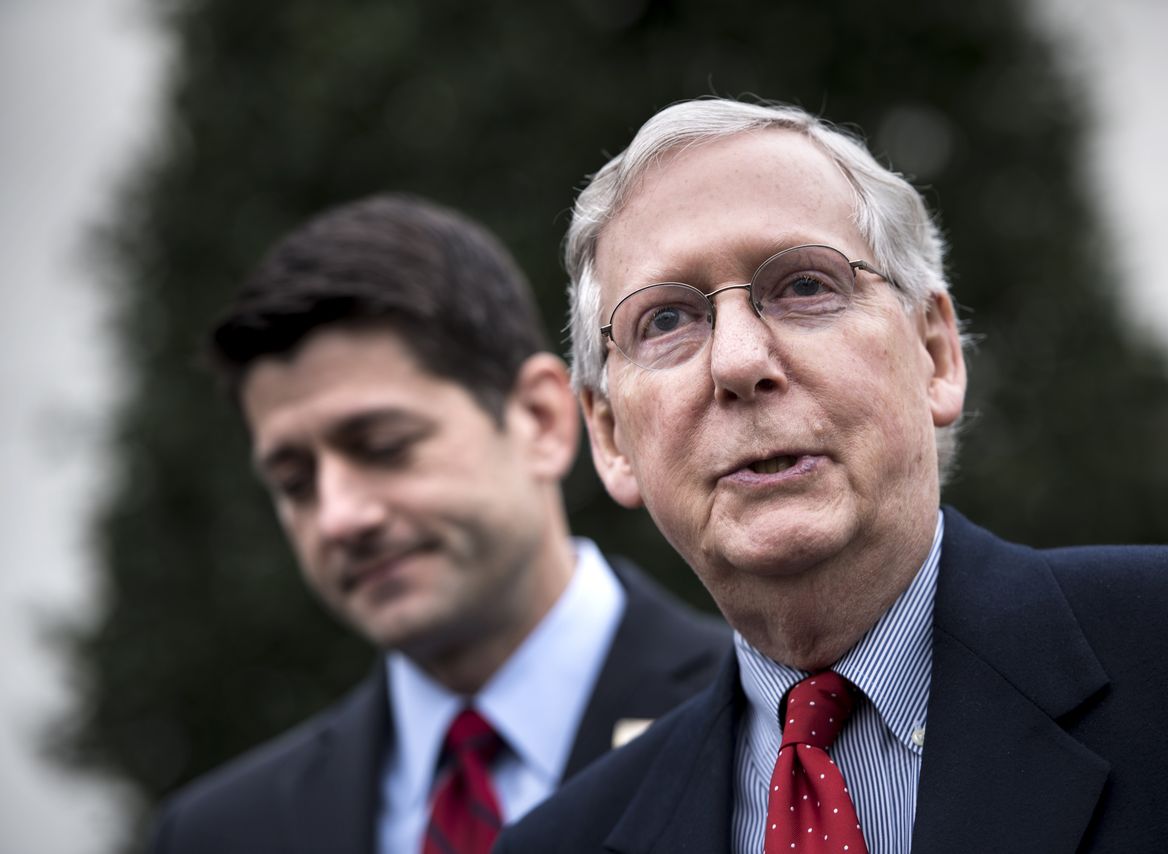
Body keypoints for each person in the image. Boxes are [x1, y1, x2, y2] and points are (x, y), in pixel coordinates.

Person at [494, 98, 1168, 853]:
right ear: (609, 438)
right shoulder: (560, 841)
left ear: (936, 354)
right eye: (665, 319)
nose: (737, 361)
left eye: (804, 285)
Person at [146, 193, 730, 854]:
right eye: (294, 482)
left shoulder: (776, 734)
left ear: (540, 419)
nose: (340, 517)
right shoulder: (218, 835)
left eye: (385, 446)